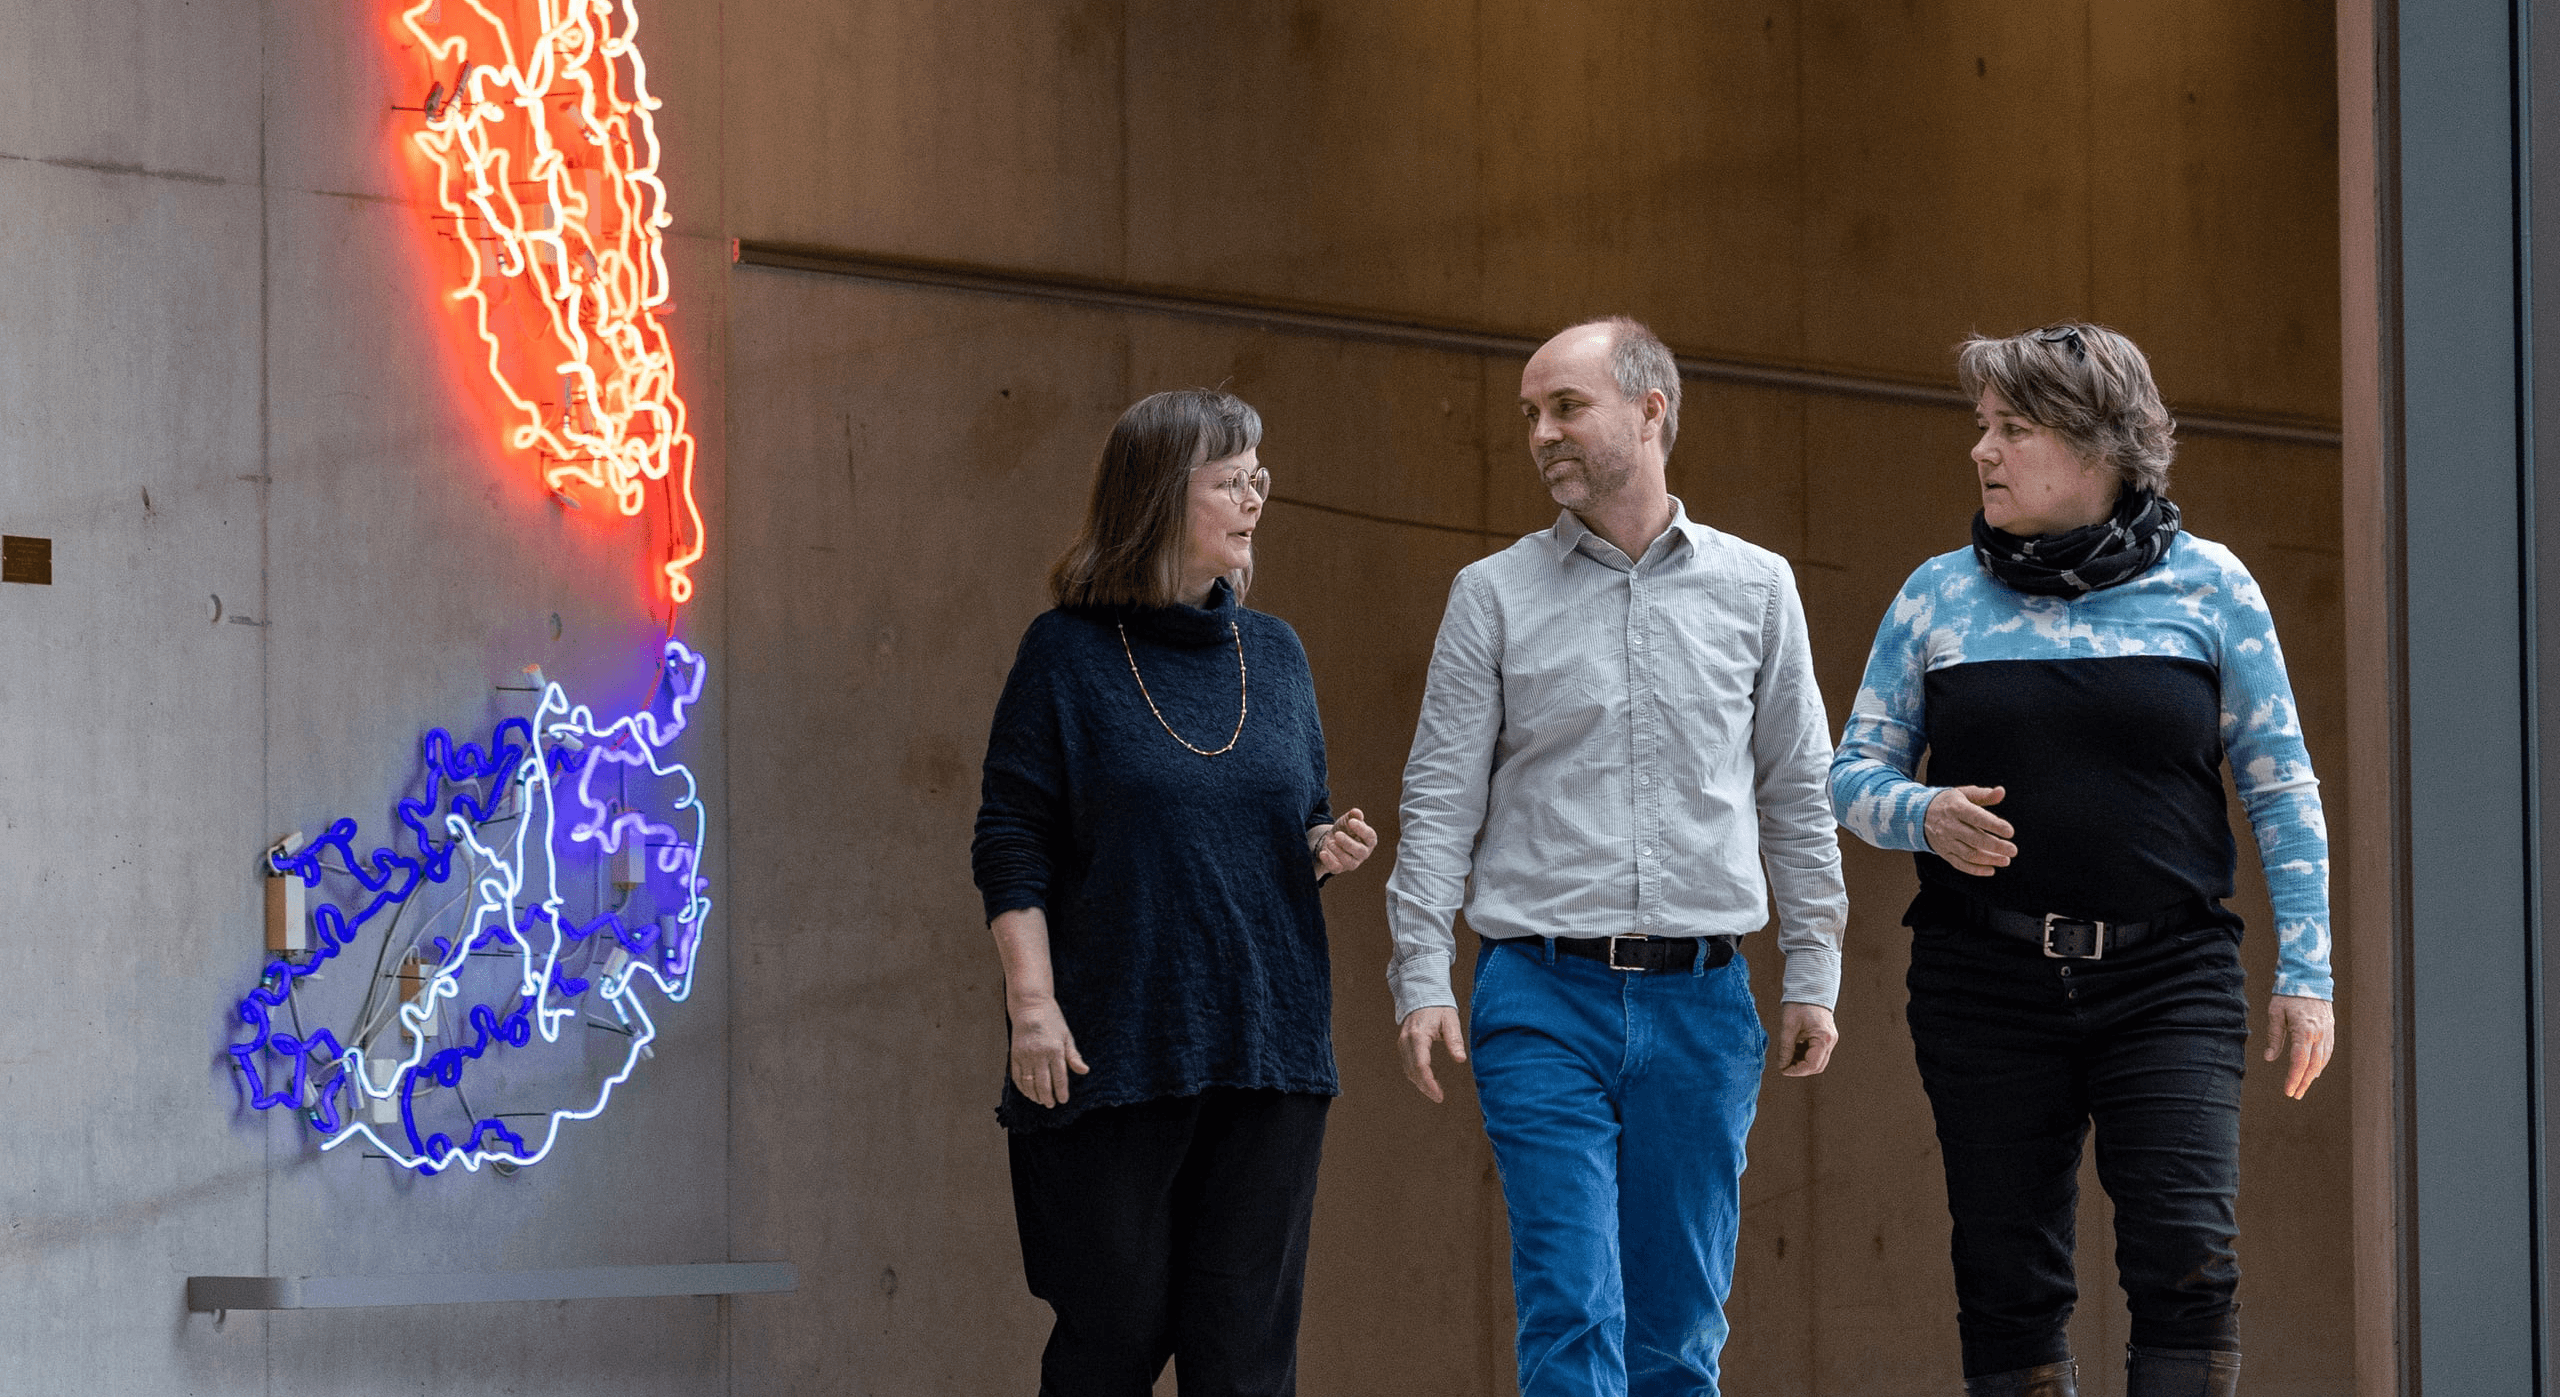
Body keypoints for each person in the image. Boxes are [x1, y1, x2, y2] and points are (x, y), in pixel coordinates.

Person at [1829, 323, 2336, 1397]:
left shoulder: (2213, 587)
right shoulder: (1936, 594)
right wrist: (1923, 812)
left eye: (2012, 429)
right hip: (1983, 980)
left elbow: (2281, 786)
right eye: (1982, 426)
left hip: (2170, 976)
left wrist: (2308, 972)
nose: (1982, 450)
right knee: (2005, 1276)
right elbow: (1851, 775)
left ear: (2099, 442)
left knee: (2187, 1256)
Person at [1385, 317, 1849, 1397]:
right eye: (1530, 415)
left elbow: (1797, 791)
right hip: (1539, 993)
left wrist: (1814, 971)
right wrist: (1421, 976)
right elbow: (1439, 801)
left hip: (1704, 1003)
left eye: (1566, 406)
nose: (1541, 432)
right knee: (1572, 1306)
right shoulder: (1492, 594)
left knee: (1678, 1334)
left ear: (1650, 411)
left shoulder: (1758, 586)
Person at [970, 388, 1379, 1397]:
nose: (1255, 499)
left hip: (1270, 1048)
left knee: (1245, 1362)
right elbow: (1012, 840)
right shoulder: (1064, 655)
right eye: (1230, 480)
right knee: (1109, 1345)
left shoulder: (1275, 654)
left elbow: (1292, 816)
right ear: (1157, 495)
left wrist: (1321, 844)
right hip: (1115, 1049)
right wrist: (1032, 1003)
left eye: (1259, 478)